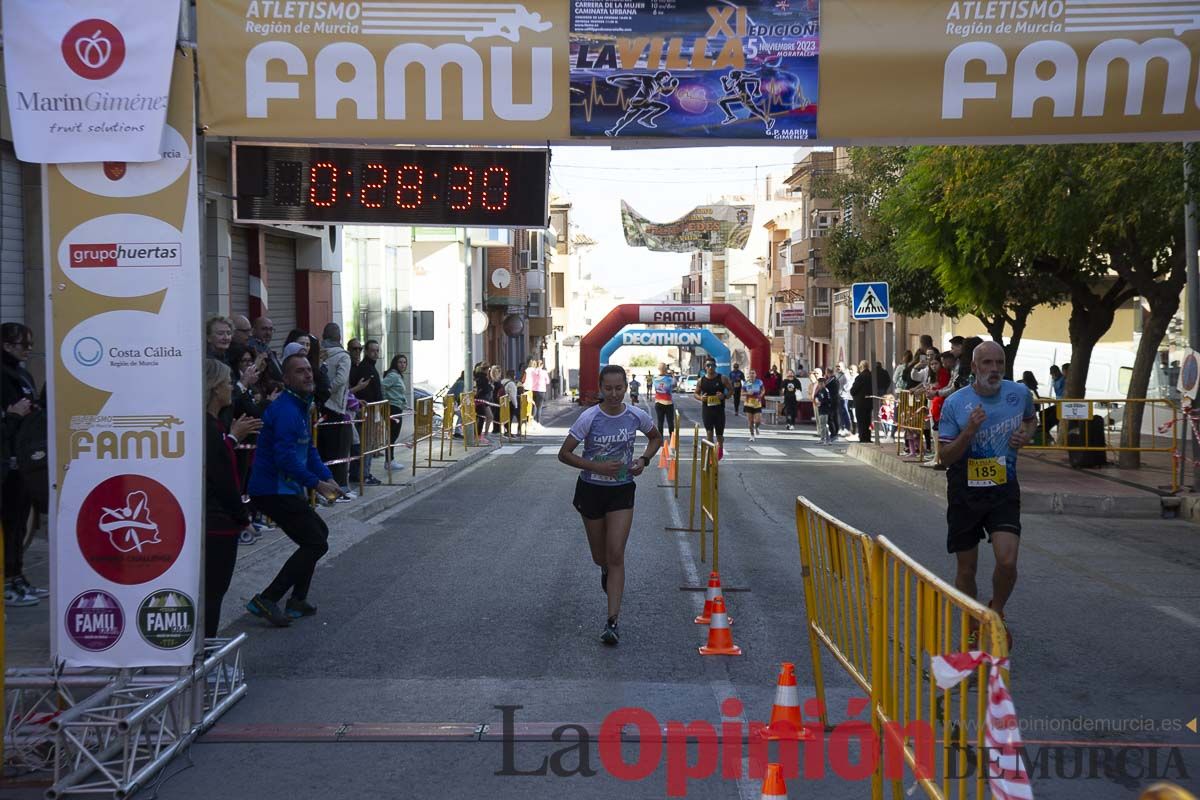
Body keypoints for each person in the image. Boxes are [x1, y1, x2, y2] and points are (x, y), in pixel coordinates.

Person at [937, 342, 1036, 650]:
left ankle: (995, 612)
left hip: (1003, 487)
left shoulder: (1019, 394)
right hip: (964, 491)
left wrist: (1026, 435)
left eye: (1000, 363)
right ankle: (970, 625)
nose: (994, 369)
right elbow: (944, 457)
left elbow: (1031, 420)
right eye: (988, 363)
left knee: (1007, 561)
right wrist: (968, 432)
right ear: (975, 367)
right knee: (967, 569)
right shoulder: (955, 403)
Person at [558, 365, 662, 645]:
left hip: (621, 490)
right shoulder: (589, 418)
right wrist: (595, 466)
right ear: (601, 389)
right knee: (600, 557)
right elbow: (564, 454)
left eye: (619, 388)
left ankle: (612, 621)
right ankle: (604, 570)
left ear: (626, 387)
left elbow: (655, 438)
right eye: (609, 389)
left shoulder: (635, 415)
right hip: (591, 489)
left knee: (616, 554)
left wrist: (643, 460)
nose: (614, 394)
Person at [246, 353, 342, 627]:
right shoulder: (287, 410)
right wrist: (317, 484)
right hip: (271, 489)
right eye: (300, 372)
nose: (308, 375)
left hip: (285, 488)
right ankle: (268, 598)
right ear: (287, 379)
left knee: (317, 535)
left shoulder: (301, 405)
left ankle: (297, 600)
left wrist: (327, 476)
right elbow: (285, 458)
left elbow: (307, 449)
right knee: (315, 542)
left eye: (309, 370)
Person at [204, 359, 261, 636]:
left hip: (214, 521)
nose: (230, 388)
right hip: (217, 524)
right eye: (227, 383)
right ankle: (204, 659)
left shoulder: (212, 427)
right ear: (215, 389)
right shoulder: (210, 429)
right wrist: (243, 518)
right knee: (213, 593)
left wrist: (233, 437)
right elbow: (223, 478)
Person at [1, 323, 46, 606]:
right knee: (9, 522)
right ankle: (8, 581)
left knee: (19, 524)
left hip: (23, 458)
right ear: (6, 345)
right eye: (23, 345)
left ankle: (17, 577)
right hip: (8, 459)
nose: (28, 350)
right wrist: (12, 415)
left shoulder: (21, 373)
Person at [318, 323, 354, 496]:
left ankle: (324, 488)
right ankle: (338, 488)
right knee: (338, 450)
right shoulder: (343, 357)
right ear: (339, 338)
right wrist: (329, 390)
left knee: (323, 450)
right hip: (335, 407)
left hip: (320, 405)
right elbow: (341, 379)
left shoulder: (320, 354)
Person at [349, 340, 383, 486]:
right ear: (367, 352)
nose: (375, 353)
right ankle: (364, 474)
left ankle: (362, 473)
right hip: (366, 411)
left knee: (366, 444)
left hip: (371, 411)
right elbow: (367, 393)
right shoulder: (365, 368)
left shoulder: (369, 367)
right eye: (372, 351)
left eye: (377, 351)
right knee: (366, 444)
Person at [695, 359, 732, 459]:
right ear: (705, 367)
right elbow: (696, 393)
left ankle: (720, 448)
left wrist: (724, 396)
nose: (710, 367)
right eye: (708, 365)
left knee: (719, 435)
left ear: (715, 366)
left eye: (712, 365)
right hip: (707, 410)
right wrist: (701, 398)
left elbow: (731, 390)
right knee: (709, 432)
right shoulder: (701, 380)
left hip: (719, 410)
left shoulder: (722, 378)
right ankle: (711, 454)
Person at [382, 354, 409, 469]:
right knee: (392, 435)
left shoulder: (398, 376)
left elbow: (398, 393)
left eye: (404, 362)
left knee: (393, 435)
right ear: (395, 363)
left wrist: (404, 404)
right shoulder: (393, 375)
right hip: (392, 407)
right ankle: (389, 461)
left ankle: (390, 460)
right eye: (400, 362)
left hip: (397, 407)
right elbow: (382, 386)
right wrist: (385, 402)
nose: (402, 365)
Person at [250, 317, 283, 382]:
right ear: (253, 331)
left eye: (271, 329)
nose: (268, 333)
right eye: (264, 329)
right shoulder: (253, 349)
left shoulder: (265, 348)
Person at [850, 360, 874, 443]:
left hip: (860, 402)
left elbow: (853, 390)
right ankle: (868, 437)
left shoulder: (860, 377)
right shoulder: (871, 376)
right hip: (869, 402)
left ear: (861, 367)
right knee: (867, 421)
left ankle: (862, 438)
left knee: (861, 421)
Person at [652, 363, 676, 439]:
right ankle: (672, 439)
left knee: (660, 422)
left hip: (658, 402)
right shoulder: (669, 379)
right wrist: (673, 375)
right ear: (666, 369)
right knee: (670, 422)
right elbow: (674, 384)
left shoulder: (655, 379)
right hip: (668, 403)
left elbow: (656, 388)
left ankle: (660, 439)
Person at [742, 368, 764, 441]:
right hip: (748, 403)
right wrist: (747, 393)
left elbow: (763, 390)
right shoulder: (746, 383)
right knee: (750, 421)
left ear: (755, 374)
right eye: (750, 373)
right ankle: (752, 435)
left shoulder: (759, 382)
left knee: (758, 420)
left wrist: (761, 395)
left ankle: (757, 427)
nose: (751, 374)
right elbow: (742, 393)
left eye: (753, 373)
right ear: (748, 375)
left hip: (757, 403)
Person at [815, 375, 834, 444]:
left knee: (824, 425)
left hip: (825, 410)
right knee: (821, 425)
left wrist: (821, 403)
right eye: (819, 383)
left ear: (824, 384)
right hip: (820, 409)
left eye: (821, 383)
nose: (820, 385)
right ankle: (822, 438)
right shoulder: (819, 391)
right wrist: (816, 400)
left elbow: (829, 400)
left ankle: (827, 439)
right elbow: (816, 396)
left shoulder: (826, 390)